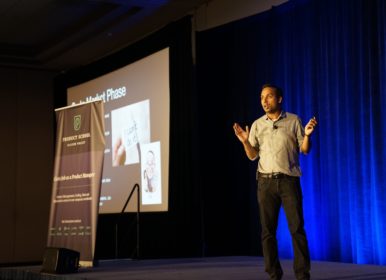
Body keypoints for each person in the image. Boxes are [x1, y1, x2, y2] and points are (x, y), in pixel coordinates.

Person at [233, 84, 317, 280]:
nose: (264, 100)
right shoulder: (257, 125)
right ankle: (273, 274)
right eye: (262, 97)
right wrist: (245, 141)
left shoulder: (294, 120)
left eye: (269, 96)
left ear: (279, 99)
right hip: (265, 183)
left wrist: (307, 135)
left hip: (289, 181)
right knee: (267, 232)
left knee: (296, 229)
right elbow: (253, 156)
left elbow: (304, 150)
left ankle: (302, 275)